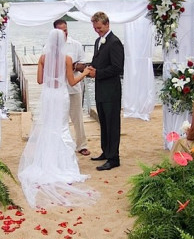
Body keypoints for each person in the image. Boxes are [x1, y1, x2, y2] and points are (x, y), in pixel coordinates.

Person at [18, 29, 94, 208]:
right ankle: (63, 164)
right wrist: (85, 73)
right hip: (60, 95)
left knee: (49, 127)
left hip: (48, 95)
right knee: (62, 128)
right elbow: (72, 82)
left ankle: (46, 162)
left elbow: (38, 80)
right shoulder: (67, 59)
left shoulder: (43, 58)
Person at [87, 11, 124, 171]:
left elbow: (118, 68)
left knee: (112, 124)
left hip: (111, 91)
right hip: (100, 89)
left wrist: (98, 73)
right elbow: (97, 61)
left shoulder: (115, 42)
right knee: (103, 122)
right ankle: (106, 151)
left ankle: (114, 158)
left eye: (100, 28)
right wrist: (88, 67)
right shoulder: (98, 41)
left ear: (107, 24)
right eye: (95, 28)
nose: (98, 31)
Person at [54, 18, 90, 157]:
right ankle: (60, 144)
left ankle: (82, 145)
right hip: (58, 88)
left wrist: (72, 66)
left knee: (77, 118)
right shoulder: (50, 47)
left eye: (66, 30)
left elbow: (83, 65)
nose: (65, 33)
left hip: (74, 87)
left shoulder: (76, 45)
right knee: (59, 118)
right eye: (61, 31)